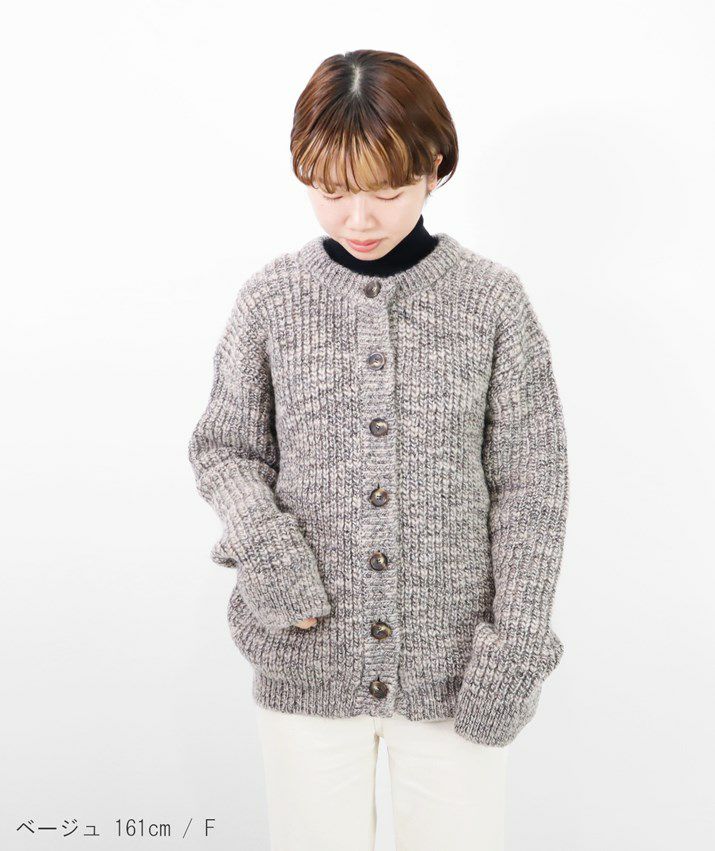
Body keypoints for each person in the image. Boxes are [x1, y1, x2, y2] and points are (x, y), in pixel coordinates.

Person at [187, 49, 569, 851]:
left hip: (457, 670)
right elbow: (224, 448)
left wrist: (515, 647)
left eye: (386, 192)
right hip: (305, 653)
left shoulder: (491, 301)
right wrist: (271, 555)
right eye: (331, 192)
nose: (358, 218)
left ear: (433, 167)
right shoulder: (271, 299)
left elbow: (531, 487)